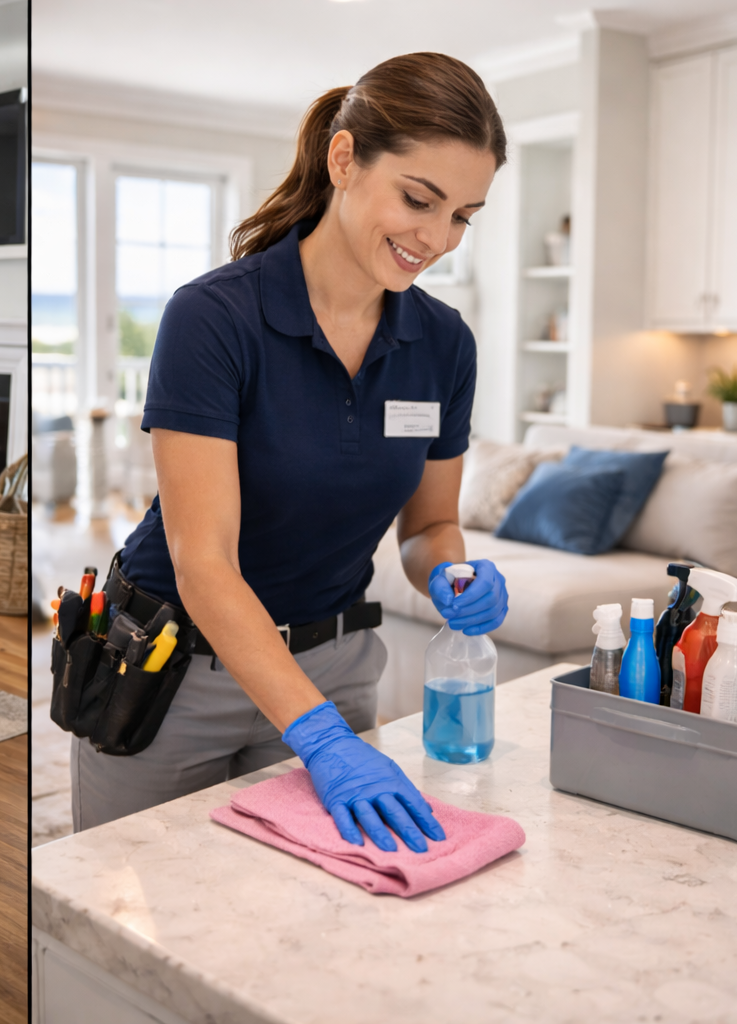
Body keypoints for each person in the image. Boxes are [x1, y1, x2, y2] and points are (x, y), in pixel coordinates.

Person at [71, 53, 511, 850]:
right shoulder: (214, 319)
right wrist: (323, 742)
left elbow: (427, 527)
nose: (437, 238)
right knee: (139, 925)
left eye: (462, 216)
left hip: (335, 667)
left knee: (313, 929)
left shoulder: (444, 345)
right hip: (172, 670)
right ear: (344, 160)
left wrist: (451, 570)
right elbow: (203, 560)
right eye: (419, 199)